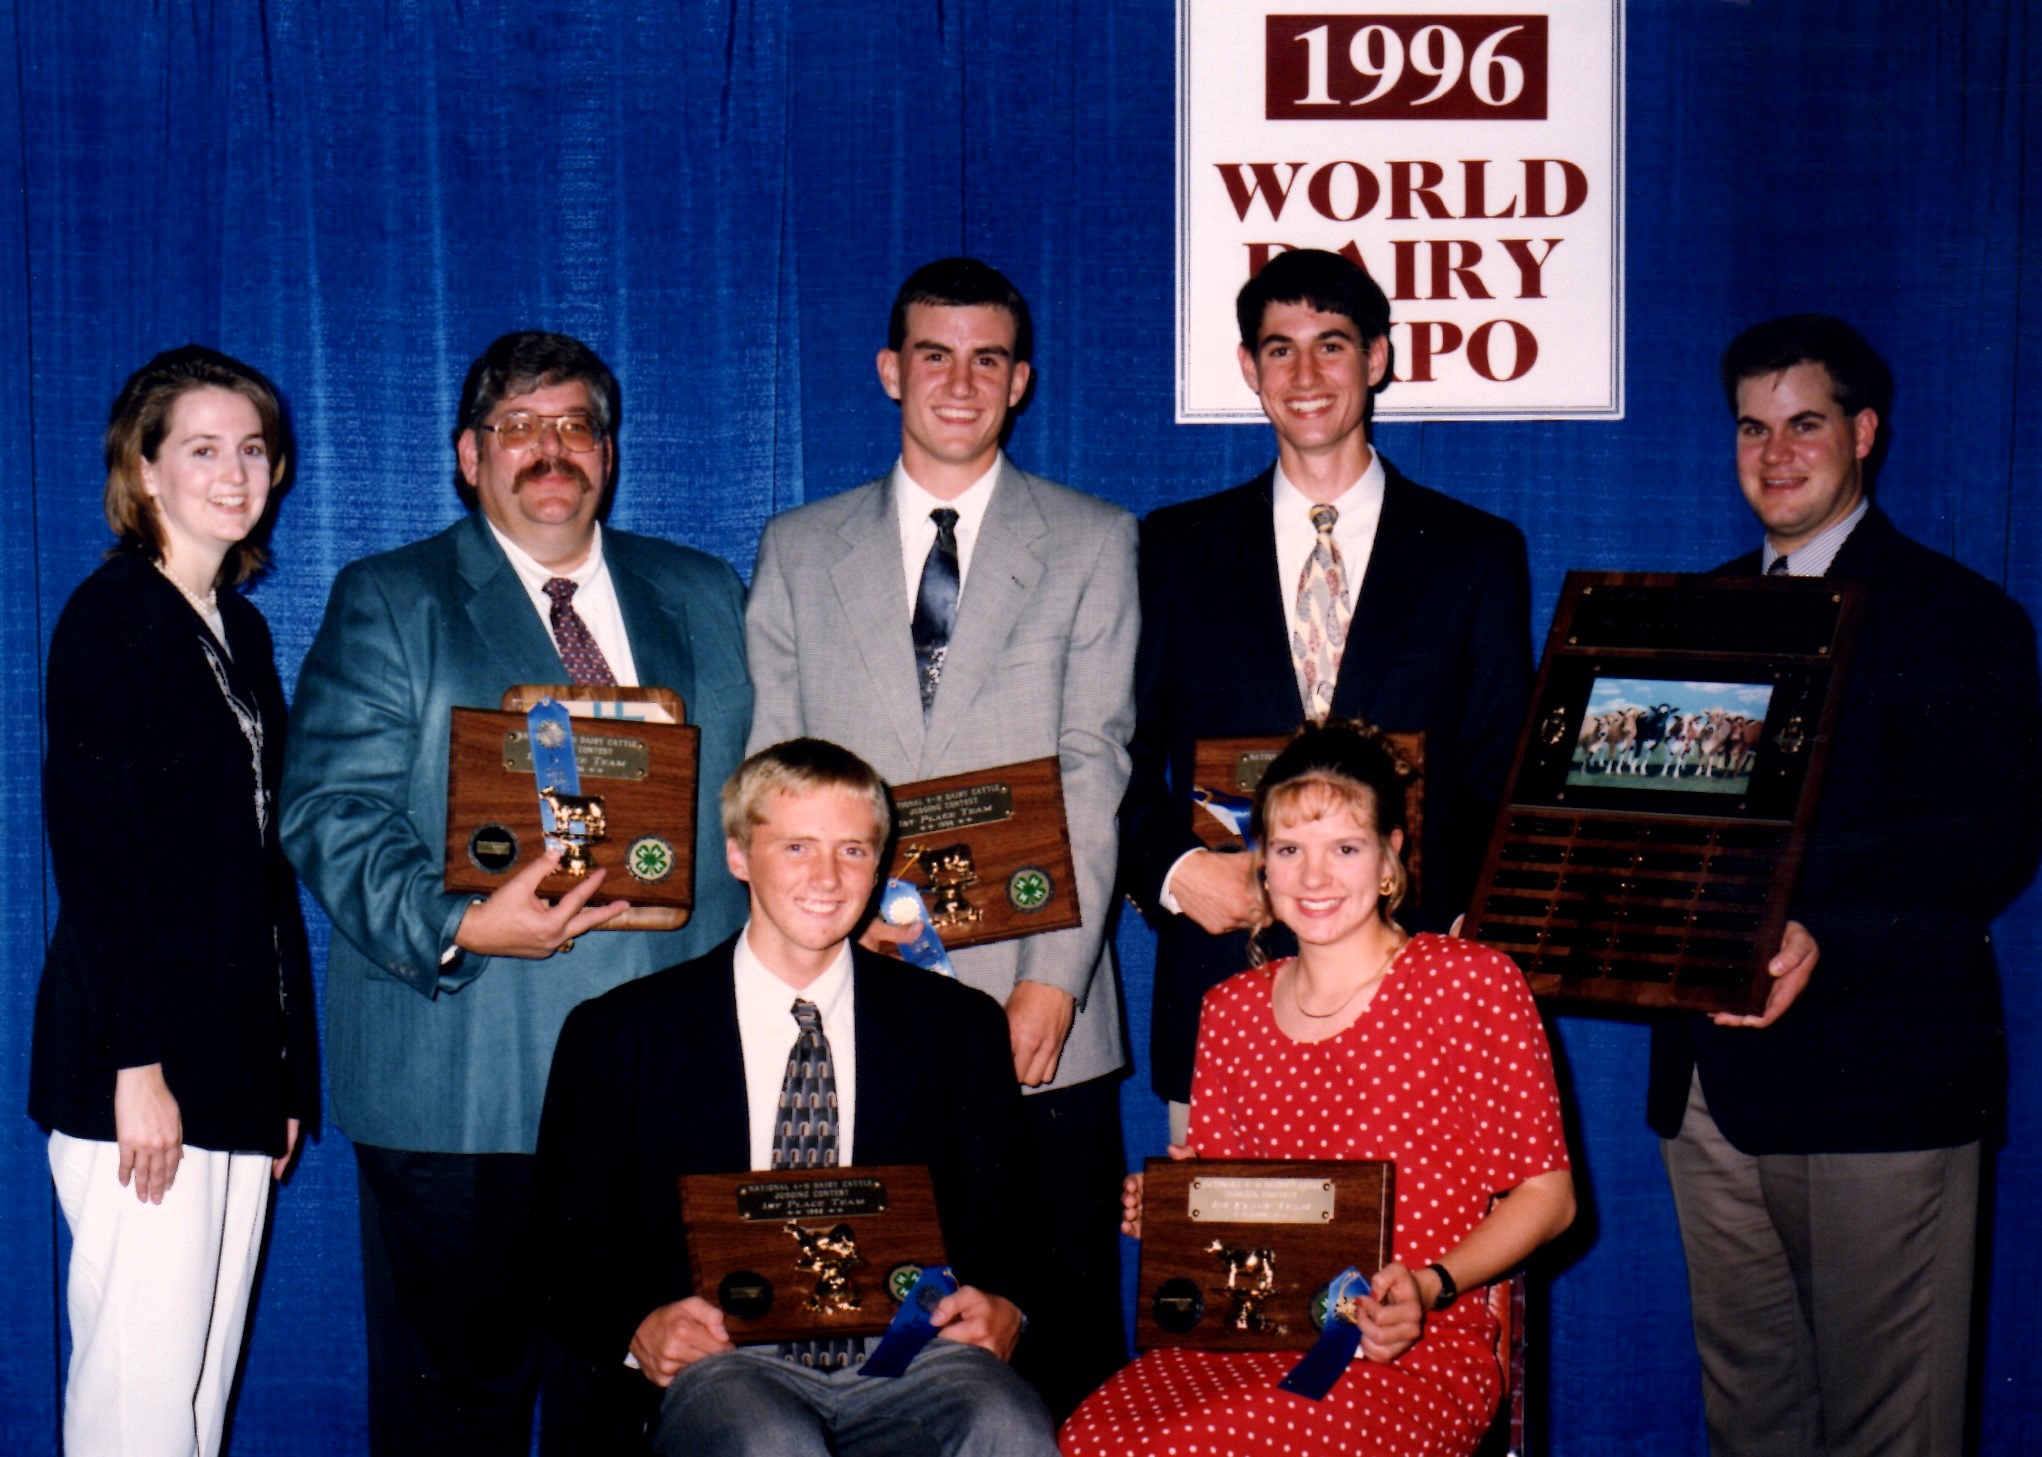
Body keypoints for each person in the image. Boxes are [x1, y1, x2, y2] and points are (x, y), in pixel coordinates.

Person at [278, 331, 753, 1456]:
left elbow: (759, 797)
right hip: (462, 1076)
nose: (553, 449)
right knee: (456, 1416)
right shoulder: (392, 596)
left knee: (630, 1406)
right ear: (467, 454)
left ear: (610, 451)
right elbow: (327, 806)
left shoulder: (700, 589)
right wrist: (457, 921)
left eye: (577, 425)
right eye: (519, 428)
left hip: (657, 1092)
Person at [743, 257, 1137, 1415]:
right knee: (860, 1332)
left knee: (1050, 1323)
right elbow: (775, 779)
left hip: (1037, 1001)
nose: (957, 382)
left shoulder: (1092, 538)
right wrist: (810, 960)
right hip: (850, 990)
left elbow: (1092, 763)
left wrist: (1053, 980)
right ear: (887, 370)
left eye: (985, 359)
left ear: (1019, 381)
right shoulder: (798, 546)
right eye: (931, 354)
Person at [1647, 315, 2042, 1457]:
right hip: (1711, 1091)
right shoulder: (1687, 614)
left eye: (1803, 423)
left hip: (1880, 1080)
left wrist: (1827, 929)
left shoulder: (1959, 616)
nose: (1774, 453)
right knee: (1749, 1421)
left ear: (1862, 433)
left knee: (1889, 1432)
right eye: (1750, 427)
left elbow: (1986, 841)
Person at [533, 737, 1060, 1456]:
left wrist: (1008, 1305)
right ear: (738, 855)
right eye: (795, 847)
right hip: (724, 1356)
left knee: (1008, 1423)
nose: (827, 877)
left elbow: (1014, 1218)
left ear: (880, 863)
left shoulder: (957, 1024)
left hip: (909, 1345)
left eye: (851, 850)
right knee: (770, 1441)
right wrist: (635, 1325)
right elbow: (560, 1242)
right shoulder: (622, 1031)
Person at [1064, 720, 1574, 1457]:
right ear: (1261, 866)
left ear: (1392, 857)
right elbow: (1235, 1227)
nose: (1314, 876)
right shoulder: (1230, 1008)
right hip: (1248, 1336)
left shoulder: (1470, 981)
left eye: (1345, 847)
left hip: (1409, 1342)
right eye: (1289, 850)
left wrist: (1430, 1286)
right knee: (1089, 1437)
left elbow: (1549, 1196)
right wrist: (1178, 1206)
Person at [1119, 247, 1531, 1144]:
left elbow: (1501, 774)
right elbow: (1113, 752)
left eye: (1332, 345)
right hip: (1222, 987)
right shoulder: (1175, 550)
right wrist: (1176, 871)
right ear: (1247, 368)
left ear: (1378, 358)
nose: (1305, 376)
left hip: (1415, 995)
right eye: (1279, 349)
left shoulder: (1474, 552)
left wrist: (1444, 936)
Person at [29, 346, 317, 1457]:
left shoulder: (236, 629)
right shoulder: (113, 619)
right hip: (139, 1070)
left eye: (251, 449)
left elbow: (258, 869)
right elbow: (98, 863)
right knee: (137, 1398)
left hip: (233, 1067)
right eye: (201, 448)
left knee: (195, 1394)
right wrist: (133, 1066)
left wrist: (284, 1070)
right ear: (144, 469)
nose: (233, 472)